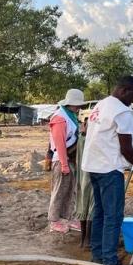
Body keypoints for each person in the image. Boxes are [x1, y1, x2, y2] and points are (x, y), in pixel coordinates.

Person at [81, 75, 133, 265]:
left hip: (94, 166)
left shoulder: (102, 104)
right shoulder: (122, 112)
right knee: (113, 216)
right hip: (109, 168)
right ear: (124, 90)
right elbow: (126, 149)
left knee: (100, 212)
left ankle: (98, 254)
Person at [47, 89, 85, 233]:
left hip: (71, 158)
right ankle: (54, 220)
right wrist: (63, 164)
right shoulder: (60, 118)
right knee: (59, 190)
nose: (79, 108)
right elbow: (60, 143)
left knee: (70, 190)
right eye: (77, 105)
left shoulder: (71, 116)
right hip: (62, 158)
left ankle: (68, 217)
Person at [74, 116, 94, 248]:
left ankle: (83, 239)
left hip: (81, 177)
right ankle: (87, 239)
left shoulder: (80, 139)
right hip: (91, 176)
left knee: (82, 205)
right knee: (91, 206)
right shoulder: (90, 140)